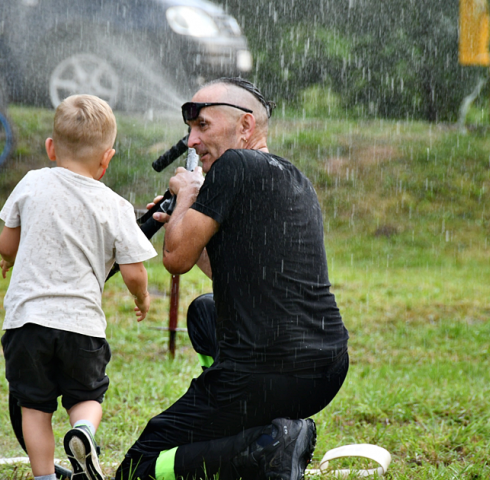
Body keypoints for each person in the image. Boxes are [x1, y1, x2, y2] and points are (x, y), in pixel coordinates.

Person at [115, 77, 350, 480]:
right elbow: (227, 265)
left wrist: (186, 197)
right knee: (206, 312)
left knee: (140, 468)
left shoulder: (233, 165)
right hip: (323, 369)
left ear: (245, 127)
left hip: (264, 371)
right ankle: (259, 431)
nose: (191, 141)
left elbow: (175, 260)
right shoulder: (293, 177)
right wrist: (183, 220)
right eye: (190, 129)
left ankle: (263, 448)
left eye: (203, 126)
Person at [0, 94, 157, 480]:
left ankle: (44, 476)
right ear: (107, 159)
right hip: (81, 327)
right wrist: (142, 297)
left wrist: (8, 257)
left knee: (33, 407)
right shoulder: (115, 205)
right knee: (86, 397)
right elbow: (133, 272)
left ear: (51, 148)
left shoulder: (32, 182)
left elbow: (6, 243)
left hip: (26, 324)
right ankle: (83, 430)